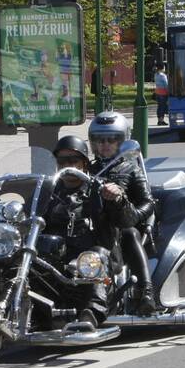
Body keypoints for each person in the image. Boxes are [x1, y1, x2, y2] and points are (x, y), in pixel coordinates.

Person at [43, 135, 136, 328]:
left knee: (95, 255)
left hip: (95, 258)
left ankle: (91, 313)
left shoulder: (100, 187)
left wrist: (118, 200)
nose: (67, 166)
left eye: (73, 160)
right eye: (62, 161)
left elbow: (128, 220)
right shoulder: (48, 191)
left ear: (84, 163)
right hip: (58, 260)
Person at [88, 111, 158, 313]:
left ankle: (146, 290)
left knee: (129, 233)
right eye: (100, 140)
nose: (105, 144)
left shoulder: (130, 168)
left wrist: (135, 215)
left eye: (112, 139)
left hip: (123, 224)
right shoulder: (87, 169)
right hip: (95, 223)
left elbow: (149, 201)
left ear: (123, 141)